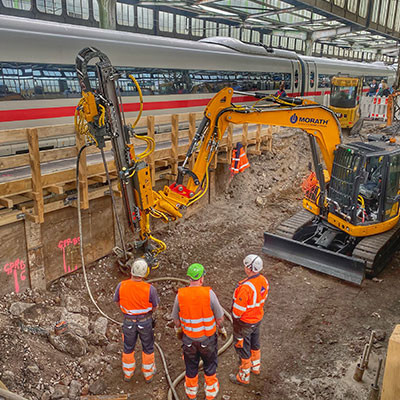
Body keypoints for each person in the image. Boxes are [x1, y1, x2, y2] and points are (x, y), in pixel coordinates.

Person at [172, 263, 226, 400]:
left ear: (189, 278)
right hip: (207, 341)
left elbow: (176, 319)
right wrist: (221, 329)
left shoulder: (181, 295)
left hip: (189, 341)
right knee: (209, 366)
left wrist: (179, 330)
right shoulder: (209, 294)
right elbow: (219, 318)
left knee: (191, 367)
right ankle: (210, 394)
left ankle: (191, 395)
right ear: (201, 278)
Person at [114, 258, 159, 383]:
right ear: (145, 273)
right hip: (145, 322)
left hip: (128, 321)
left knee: (128, 347)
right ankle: (148, 374)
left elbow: (117, 301)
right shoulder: (150, 289)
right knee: (148, 347)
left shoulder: (121, 285)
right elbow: (155, 306)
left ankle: (128, 373)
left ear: (131, 271)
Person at [230, 255, 269, 386]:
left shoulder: (246, 287)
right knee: (255, 344)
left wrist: (235, 320)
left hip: (244, 323)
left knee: (243, 348)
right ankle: (255, 367)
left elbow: (237, 311)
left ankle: (243, 377)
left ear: (249, 268)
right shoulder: (264, 281)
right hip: (257, 319)